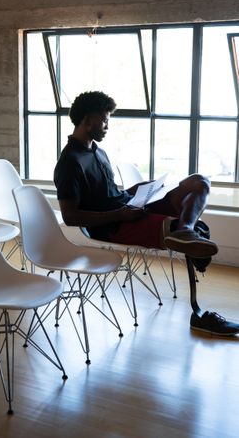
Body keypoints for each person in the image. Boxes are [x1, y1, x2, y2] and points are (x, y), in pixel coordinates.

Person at [54, 91, 239, 335]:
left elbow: (111, 193)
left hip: (128, 207)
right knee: (187, 229)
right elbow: (70, 217)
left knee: (199, 183)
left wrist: (145, 190)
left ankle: (185, 232)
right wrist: (120, 214)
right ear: (88, 119)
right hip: (112, 225)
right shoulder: (69, 162)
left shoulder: (98, 152)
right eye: (104, 119)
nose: (107, 125)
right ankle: (198, 308)